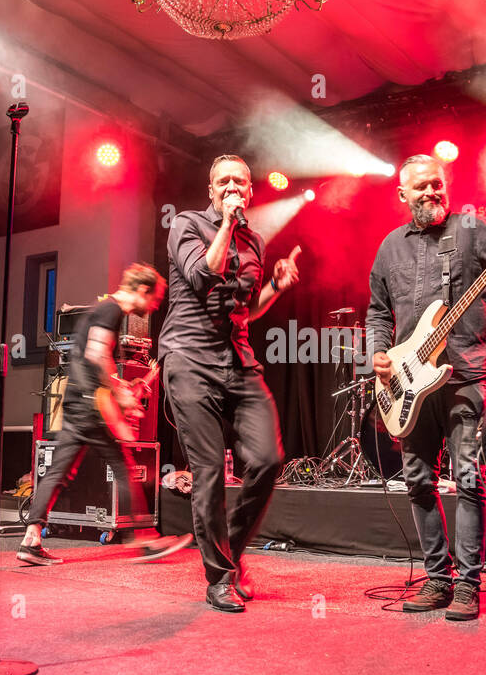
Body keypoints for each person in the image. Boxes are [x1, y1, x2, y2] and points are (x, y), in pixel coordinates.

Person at [365, 154, 486, 621]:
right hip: (410, 377)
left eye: (437, 184)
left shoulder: (472, 228)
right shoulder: (390, 247)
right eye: (421, 187)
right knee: (418, 480)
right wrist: (378, 353)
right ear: (402, 195)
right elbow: (377, 310)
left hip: (467, 371)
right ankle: (438, 578)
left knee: (469, 478)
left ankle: (469, 586)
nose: (432, 192)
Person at [159, 154, 300, 613]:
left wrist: (275, 287)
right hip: (189, 357)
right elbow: (206, 273)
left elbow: (246, 309)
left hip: (237, 360)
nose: (232, 186)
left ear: (253, 190)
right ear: (211, 190)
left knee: (268, 458)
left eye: (240, 181)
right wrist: (224, 223)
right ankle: (218, 577)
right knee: (210, 470)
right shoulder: (185, 224)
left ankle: (231, 555)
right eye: (223, 181)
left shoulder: (256, 240)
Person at [18, 264, 189, 565]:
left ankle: (31, 539)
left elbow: (95, 361)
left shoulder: (106, 311)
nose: (152, 308)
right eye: (154, 301)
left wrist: (128, 385)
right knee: (123, 467)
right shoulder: (110, 311)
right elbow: (97, 358)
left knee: (59, 472)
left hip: (78, 403)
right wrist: (120, 398)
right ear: (142, 290)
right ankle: (143, 540)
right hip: (89, 406)